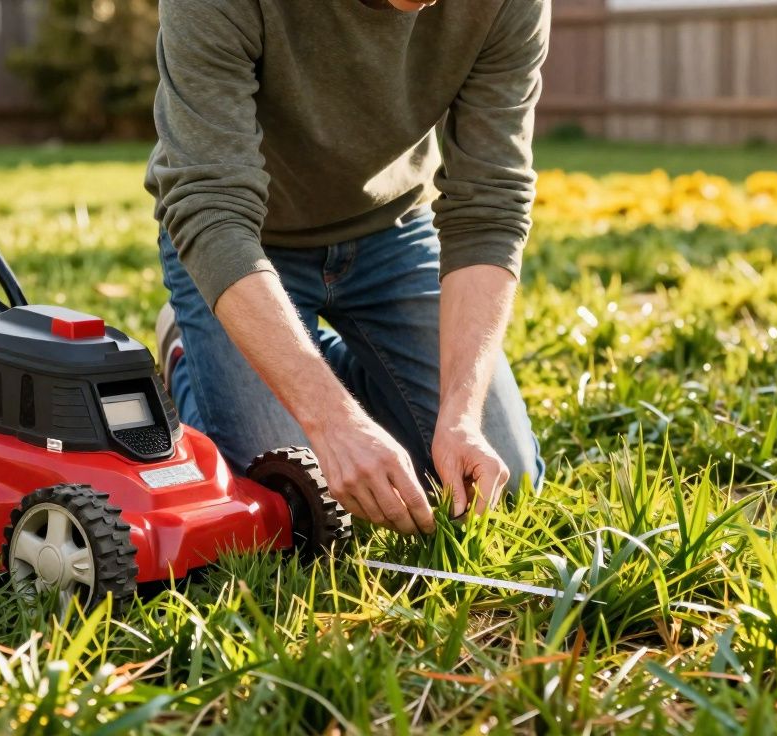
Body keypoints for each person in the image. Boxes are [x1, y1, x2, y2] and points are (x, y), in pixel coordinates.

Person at [147, 0, 550, 536]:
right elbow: (210, 207)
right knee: (284, 495)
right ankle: (186, 352)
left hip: (393, 232)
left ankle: (328, 370)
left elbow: (489, 205)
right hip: (245, 242)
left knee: (501, 475)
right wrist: (331, 423)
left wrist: (460, 416)